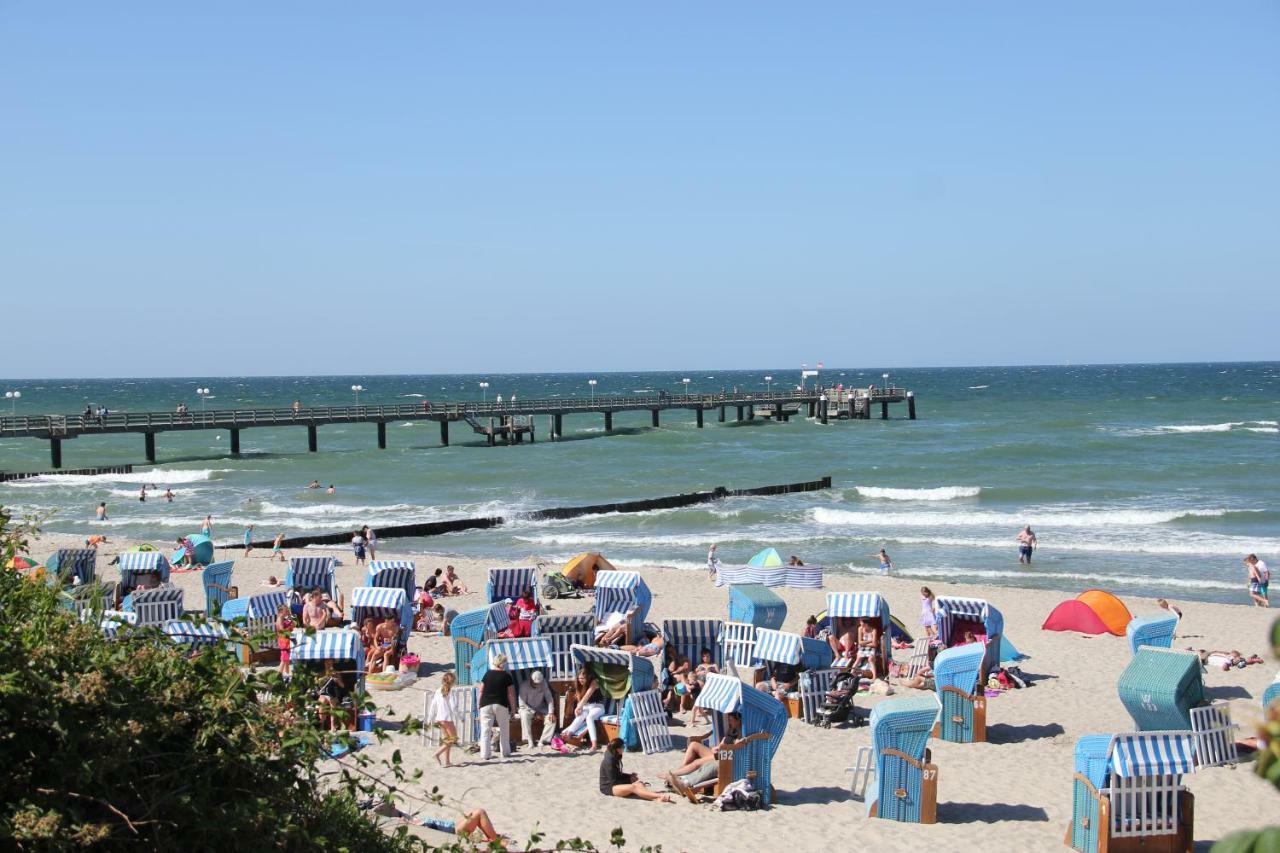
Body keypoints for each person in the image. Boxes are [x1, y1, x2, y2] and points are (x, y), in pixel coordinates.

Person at [660, 714, 743, 797]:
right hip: (720, 753)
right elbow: (723, 742)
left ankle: (673, 775)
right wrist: (716, 748)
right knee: (693, 745)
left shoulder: (742, 733)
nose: (729, 721)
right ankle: (679, 774)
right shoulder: (732, 729)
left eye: (731, 720)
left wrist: (723, 747)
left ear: (738, 721)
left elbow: (735, 749)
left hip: (726, 756)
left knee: (697, 762)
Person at [600, 738, 674, 803]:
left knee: (639, 784)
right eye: (623, 747)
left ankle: (655, 797)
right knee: (633, 787)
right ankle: (659, 796)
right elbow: (614, 781)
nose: (624, 748)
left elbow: (617, 774)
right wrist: (628, 780)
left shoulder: (615, 756)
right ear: (617, 749)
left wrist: (629, 776)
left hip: (614, 783)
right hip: (608, 787)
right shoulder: (609, 761)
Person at [478, 655, 517, 760]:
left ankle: (485, 754)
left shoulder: (487, 674)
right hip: (501, 704)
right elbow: (511, 694)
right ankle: (505, 752)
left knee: (485, 730)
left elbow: (481, 690)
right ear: (503, 663)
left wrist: (479, 703)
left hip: (486, 704)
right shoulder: (506, 676)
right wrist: (513, 709)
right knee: (504, 729)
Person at [561, 669, 605, 751]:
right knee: (580, 716)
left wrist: (578, 707)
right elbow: (580, 700)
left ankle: (594, 744)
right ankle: (570, 733)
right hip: (586, 707)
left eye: (583, 678)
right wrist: (578, 708)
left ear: (588, 678)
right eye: (579, 678)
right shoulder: (579, 685)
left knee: (589, 718)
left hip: (597, 706)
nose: (580, 680)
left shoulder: (594, 682)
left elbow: (587, 696)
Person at [420, 807, 506, 847]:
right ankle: (496, 841)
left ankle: (492, 836)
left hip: (452, 826)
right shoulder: (410, 824)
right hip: (453, 832)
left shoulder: (408, 818)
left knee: (474, 812)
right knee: (479, 812)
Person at [518, 669, 558, 750]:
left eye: (538, 683)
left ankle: (543, 740)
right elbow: (522, 704)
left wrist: (551, 712)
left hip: (540, 706)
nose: (537, 685)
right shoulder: (523, 686)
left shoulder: (543, 683)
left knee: (552, 719)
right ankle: (529, 740)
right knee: (524, 715)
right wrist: (534, 713)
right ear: (531, 679)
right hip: (527, 708)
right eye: (535, 683)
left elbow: (549, 698)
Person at [431, 672, 460, 767]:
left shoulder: (438, 690)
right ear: (453, 681)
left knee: (447, 740)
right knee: (453, 739)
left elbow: (433, 705)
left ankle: (447, 761)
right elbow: (454, 707)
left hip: (439, 718)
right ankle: (437, 754)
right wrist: (461, 717)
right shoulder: (452, 691)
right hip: (446, 718)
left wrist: (430, 717)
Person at [315, 662, 350, 731]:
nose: (329, 664)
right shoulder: (321, 674)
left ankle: (333, 726)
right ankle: (322, 724)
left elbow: (342, 686)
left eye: (330, 663)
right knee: (322, 702)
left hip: (334, 694)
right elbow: (317, 685)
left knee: (332, 701)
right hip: (323, 694)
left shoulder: (336, 673)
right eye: (327, 663)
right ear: (324, 663)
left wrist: (337, 680)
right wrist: (324, 679)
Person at [275, 604, 295, 678]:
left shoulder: (283, 618)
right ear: (281, 611)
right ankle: (279, 674)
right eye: (285, 611)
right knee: (284, 658)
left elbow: (292, 623)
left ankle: (286, 673)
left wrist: (290, 619)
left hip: (286, 639)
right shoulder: (279, 619)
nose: (287, 612)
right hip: (283, 640)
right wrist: (290, 627)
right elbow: (281, 630)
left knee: (286, 658)